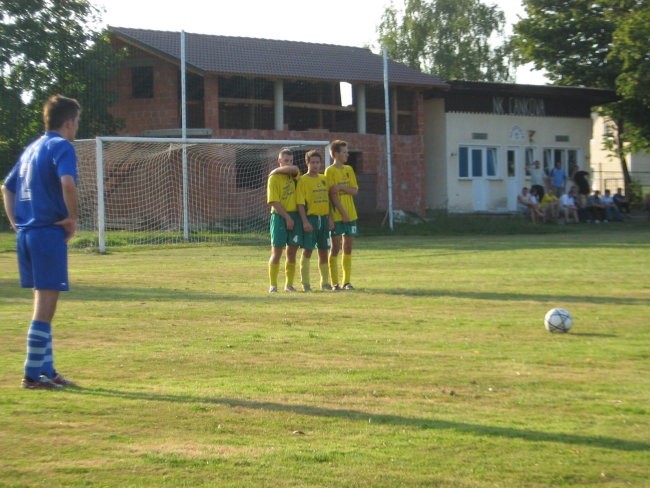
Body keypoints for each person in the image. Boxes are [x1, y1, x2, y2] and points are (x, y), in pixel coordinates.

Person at [1, 95, 81, 389]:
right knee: (45, 306)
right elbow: (68, 183)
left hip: (28, 235)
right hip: (48, 233)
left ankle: (46, 368)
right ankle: (33, 374)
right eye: (77, 122)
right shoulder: (61, 146)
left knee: (43, 300)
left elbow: (6, 188)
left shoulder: (31, 148)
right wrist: (72, 218)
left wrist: (16, 223)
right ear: (69, 121)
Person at [296, 150, 334, 291]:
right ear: (307, 163)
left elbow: (329, 201)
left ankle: (325, 283)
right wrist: (305, 221)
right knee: (307, 251)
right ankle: (305, 283)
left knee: (324, 251)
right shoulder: (302, 180)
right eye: (313, 162)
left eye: (318, 162)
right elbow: (300, 203)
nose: (316, 165)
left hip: (324, 219)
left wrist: (330, 218)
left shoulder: (324, 179)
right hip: (311, 219)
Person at [266, 148, 302, 292]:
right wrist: (287, 217)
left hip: (295, 216)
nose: (289, 164)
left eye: (291, 160)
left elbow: (295, 169)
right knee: (277, 252)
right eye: (285, 161)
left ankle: (289, 285)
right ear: (279, 161)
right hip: (280, 217)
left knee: (292, 252)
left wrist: (276, 170)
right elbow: (273, 201)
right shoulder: (273, 178)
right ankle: (273, 285)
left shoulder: (294, 176)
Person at [325, 140, 359, 290]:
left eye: (347, 151)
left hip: (351, 215)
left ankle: (347, 282)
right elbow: (332, 195)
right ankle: (334, 283)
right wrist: (342, 213)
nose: (347, 154)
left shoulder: (349, 169)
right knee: (335, 248)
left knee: (348, 247)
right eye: (344, 152)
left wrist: (340, 187)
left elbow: (354, 191)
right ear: (335, 154)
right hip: (338, 215)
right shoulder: (330, 171)